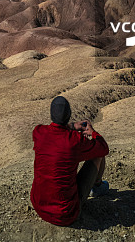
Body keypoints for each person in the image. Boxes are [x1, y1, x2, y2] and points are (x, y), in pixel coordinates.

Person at [30, 96, 110, 226]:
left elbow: (56, 134)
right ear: (69, 115)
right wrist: (93, 133)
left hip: (40, 207)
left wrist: (72, 126)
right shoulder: (74, 140)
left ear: (51, 114)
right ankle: (97, 187)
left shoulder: (39, 132)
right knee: (97, 154)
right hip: (66, 214)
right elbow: (103, 149)